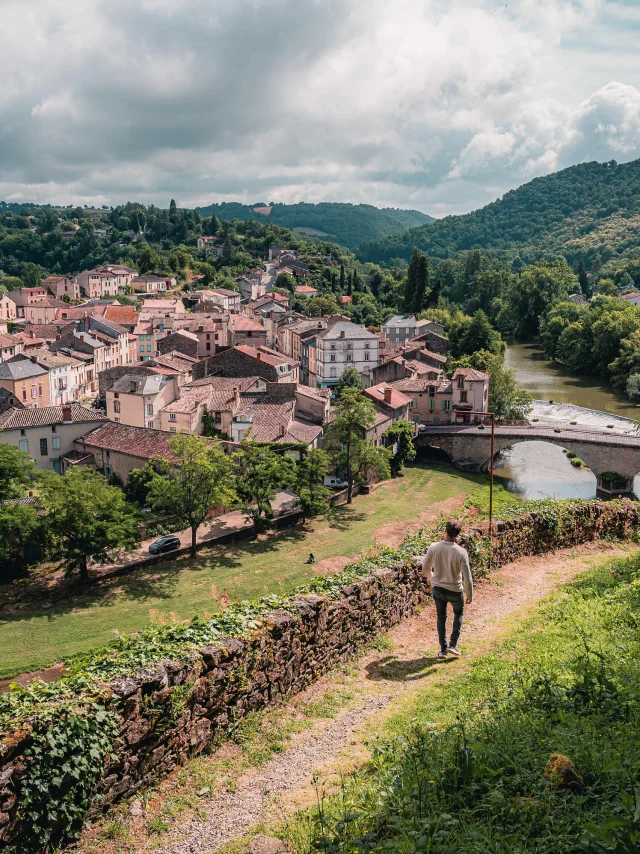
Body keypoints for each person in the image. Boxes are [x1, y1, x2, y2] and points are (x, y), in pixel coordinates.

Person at [418, 519, 473, 659]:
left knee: (441, 617)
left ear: (445, 531)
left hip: (438, 588)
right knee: (458, 613)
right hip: (455, 590)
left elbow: (425, 568)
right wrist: (469, 594)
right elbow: (467, 578)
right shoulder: (461, 552)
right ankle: (452, 645)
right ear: (457, 535)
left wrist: (432, 579)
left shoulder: (434, 547)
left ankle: (443, 650)